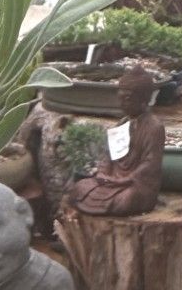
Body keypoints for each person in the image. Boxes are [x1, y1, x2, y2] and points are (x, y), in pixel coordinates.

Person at [63, 65, 167, 218]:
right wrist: (103, 173)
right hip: (112, 180)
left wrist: (126, 179)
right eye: (120, 98)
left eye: (127, 99)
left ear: (143, 100)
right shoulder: (121, 124)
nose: (122, 104)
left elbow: (151, 164)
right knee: (79, 188)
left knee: (127, 200)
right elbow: (109, 154)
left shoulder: (155, 127)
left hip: (135, 184)